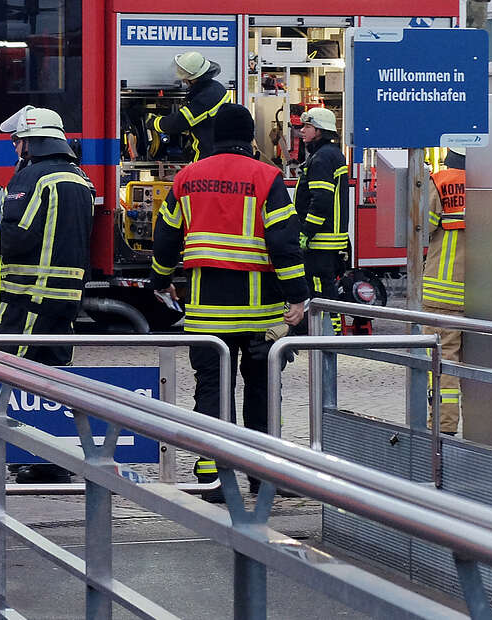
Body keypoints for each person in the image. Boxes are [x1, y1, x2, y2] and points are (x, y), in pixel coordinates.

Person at [150, 104, 309, 501]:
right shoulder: (267, 177)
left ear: (214, 137)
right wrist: (297, 296)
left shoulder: (186, 178)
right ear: (250, 138)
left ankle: (215, 477)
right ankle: (264, 474)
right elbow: (284, 242)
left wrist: (160, 280)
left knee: (212, 389)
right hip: (262, 311)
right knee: (263, 389)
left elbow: (166, 236)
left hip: (206, 313)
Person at [0, 106, 96, 484]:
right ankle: (51, 460)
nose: (16, 148)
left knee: (10, 375)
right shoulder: (80, 178)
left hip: (27, 295)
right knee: (52, 381)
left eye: (17, 141)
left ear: (28, 142)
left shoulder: (34, 177)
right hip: (68, 297)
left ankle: (23, 453)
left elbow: (16, 236)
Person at [421, 147, 468, 434]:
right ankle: (488, 432)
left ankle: (443, 429)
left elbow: (421, 227)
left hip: (443, 292)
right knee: (487, 363)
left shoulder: (440, 181)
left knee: (444, 362)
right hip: (489, 294)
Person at [294, 107, 350, 335]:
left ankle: (326, 335)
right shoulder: (329, 154)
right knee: (325, 286)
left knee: (319, 288)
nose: (302, 131)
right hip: (328, 238)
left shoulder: (323, 157)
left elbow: (321, 199)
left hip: (321, 239)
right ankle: (329, 331)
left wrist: (307, 231)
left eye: (307, 126)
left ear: (319, 130)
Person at [146, 51, 232, 162]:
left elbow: (177, 123)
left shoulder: (206, 97)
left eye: (186, 77)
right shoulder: (215, 88)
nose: (183, 80)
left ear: (195, 77)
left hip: (207, 157)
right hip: (218, 153)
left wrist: (153, 122)